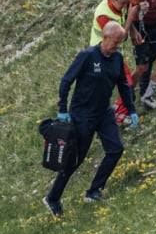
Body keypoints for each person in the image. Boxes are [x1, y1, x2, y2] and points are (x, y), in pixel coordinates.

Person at [44, 22, 138, 217]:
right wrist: (62, 109)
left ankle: (94, 191)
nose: (117, 46)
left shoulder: (117, 58)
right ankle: (52, 198)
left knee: (115, 149)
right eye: (115, 42)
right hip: (82, 115)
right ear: (105, 37)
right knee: (75, 159)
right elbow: (66, 81)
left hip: (104, 113)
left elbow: (123, 84)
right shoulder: (87, 56)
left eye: (120, 43)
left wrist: (131, 109)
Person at [89, 0, 134, 123]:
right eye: (123, 3)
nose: (125, 6)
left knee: (125, 84)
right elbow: (120, 37)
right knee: (124, 84)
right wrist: (131, 17)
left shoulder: (115, 1)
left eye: (127, 3)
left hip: (112, 52)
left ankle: (116, 113)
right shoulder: (103, 15)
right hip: (103, 55)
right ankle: (116, 115)